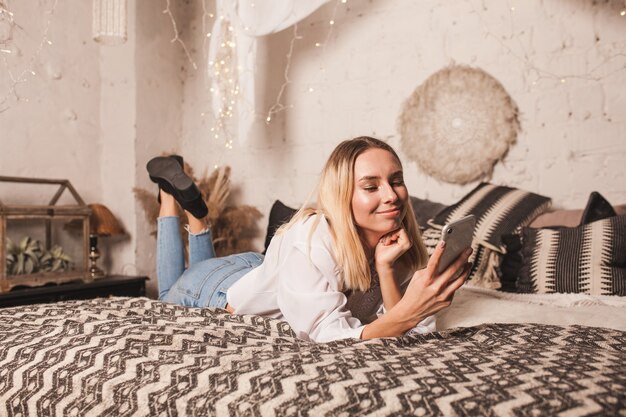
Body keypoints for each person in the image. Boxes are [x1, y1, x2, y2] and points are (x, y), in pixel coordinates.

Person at [147, 137, 472, 343]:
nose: (391, 196)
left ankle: (189, 208)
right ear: (343, 195)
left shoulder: (396, 245)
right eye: (371, 187)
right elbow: (331, 337)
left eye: (396, 181)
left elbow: (407, 334)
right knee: (165, 295)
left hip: (264, 269)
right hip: (220, 289)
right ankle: (172, 200)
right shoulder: (314, 236)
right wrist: (409, 313)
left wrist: (386, 271)